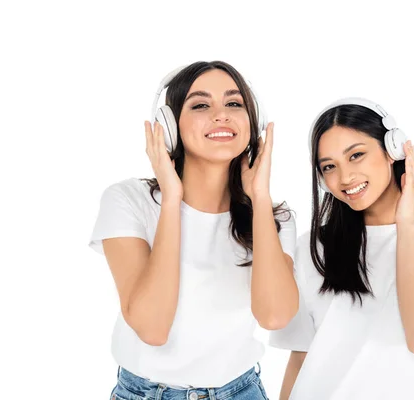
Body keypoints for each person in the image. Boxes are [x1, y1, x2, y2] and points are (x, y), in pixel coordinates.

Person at [89, 61, 297, 400]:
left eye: (234, 103)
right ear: (169, 127)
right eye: (201, 104)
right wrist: (173, 200)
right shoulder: (129, 200)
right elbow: (153, 328)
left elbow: (275, 316)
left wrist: (259, 197)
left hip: (241, 392)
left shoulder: (275, 217)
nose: (221, 115)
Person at [270, 98, 414, 399]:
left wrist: (405, 223)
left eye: (356, 155)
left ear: (392, 150)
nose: (344, 177)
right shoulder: (313, 246)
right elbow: (301, 356)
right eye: (329, 166)